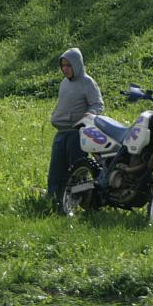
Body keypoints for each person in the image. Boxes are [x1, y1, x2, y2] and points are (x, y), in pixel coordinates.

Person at [46, 47, 103, 207]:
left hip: (77, 134)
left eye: (69, 66)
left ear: (77, 65)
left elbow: (98, 105)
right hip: (61, 132)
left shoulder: (87, 82)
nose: (65, 69)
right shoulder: (64, 83)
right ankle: (54, 199)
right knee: (56, 170)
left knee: (77, 170)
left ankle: (81, 201)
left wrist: (88, 116)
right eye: (63, 66)